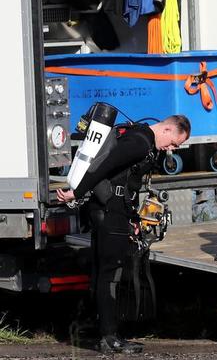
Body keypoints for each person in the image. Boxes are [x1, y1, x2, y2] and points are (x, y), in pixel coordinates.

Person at [57, 115, 190, 354]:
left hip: (113, 211)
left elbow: (126, 182)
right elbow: (104, 166)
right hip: (111, 214)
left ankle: (104, 331)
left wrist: (134, 218)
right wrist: (76, 192)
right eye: (173, 143)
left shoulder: (141, 139)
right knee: (111, 274)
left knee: (104, 272)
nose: (171, 149)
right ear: (168, 128)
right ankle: (109, 337)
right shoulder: (139, 142)